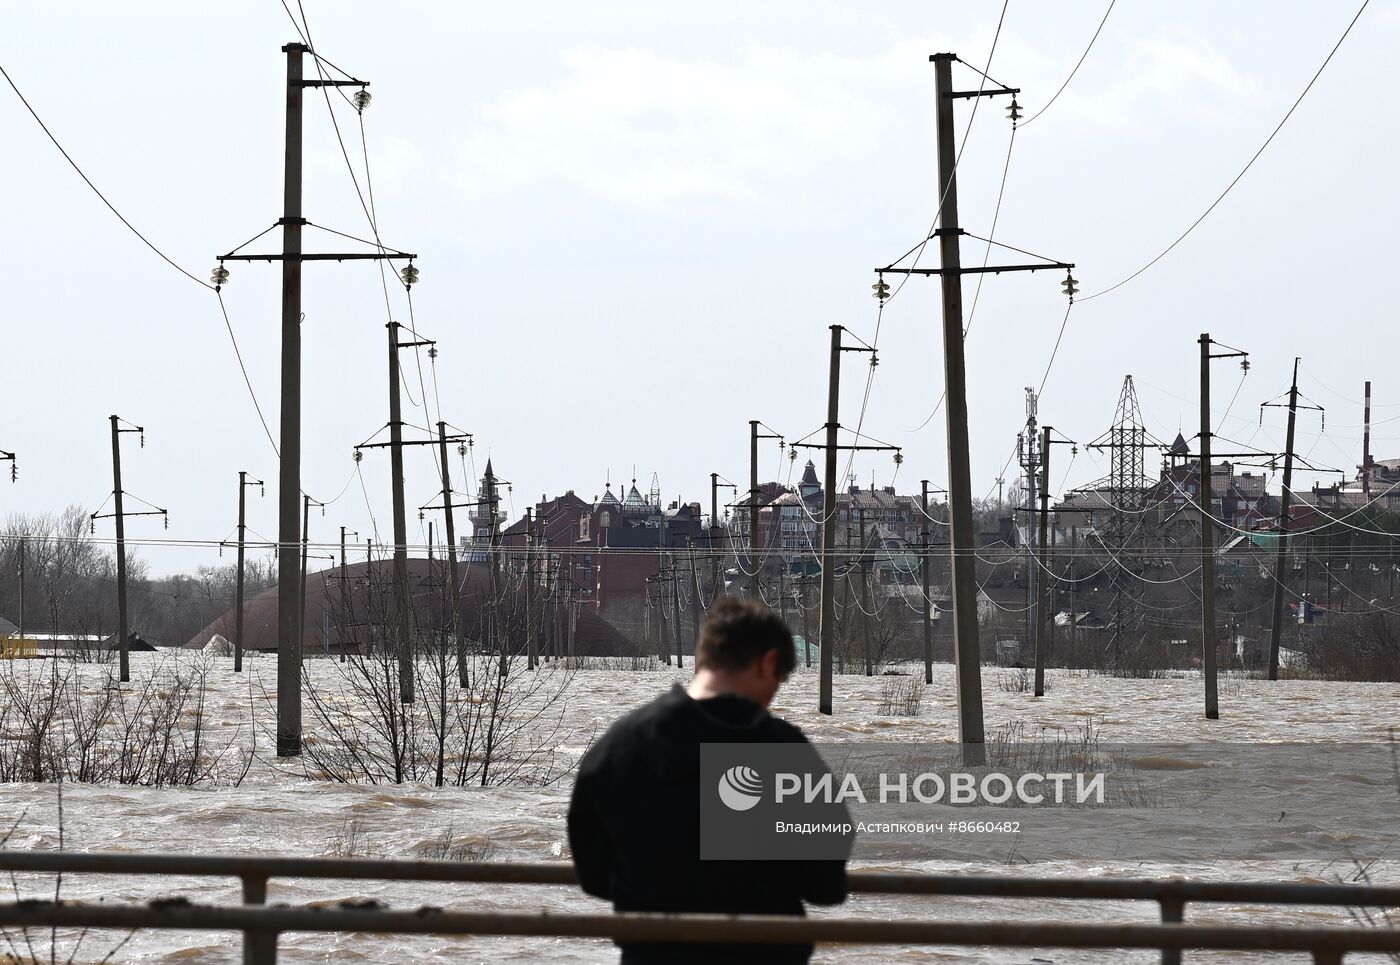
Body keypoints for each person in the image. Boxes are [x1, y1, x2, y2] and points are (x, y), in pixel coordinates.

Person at [568, 596, 849, 964]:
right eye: (779, 680)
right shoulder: (783, 751)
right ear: (768, 663)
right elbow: (825, 884)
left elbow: (593, 874)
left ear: (704, 659)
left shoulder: (619, 745)